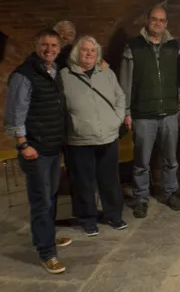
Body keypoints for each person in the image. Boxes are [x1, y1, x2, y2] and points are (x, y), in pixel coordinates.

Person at [4, 29, 72, 274]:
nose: (49, 49)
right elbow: (15, 114)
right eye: (45, 45)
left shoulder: (53, 71)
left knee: (50, 195)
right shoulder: (24, 75)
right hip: (35, 149)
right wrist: (23, 144)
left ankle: (48, 237)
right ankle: (47, 253)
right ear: (36, 45)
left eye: (54, 45)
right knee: (41, 200)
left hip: (52, 145)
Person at [119, 6, 180, 218]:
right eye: (154, 19)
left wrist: (179, 103)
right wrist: (126, 111)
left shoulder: (175, 47)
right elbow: (125, 82)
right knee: (141, 162)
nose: (158, 23)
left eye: (162, 20)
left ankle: (171, 192)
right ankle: (140, 198)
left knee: (170, 159)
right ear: (147, 21)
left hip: (169, 113)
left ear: (166, 23)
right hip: (142, 114)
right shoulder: (133, 47)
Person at [60, 36, 127, 236]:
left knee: (110, 180)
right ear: (76, 53)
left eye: (92, 50)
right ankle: (87, 218)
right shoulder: (64, 76)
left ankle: (114, 215)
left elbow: (119, 96)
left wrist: (117, 119)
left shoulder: (106, 73)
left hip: (107, 135)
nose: (89, 54)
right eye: (84, 50)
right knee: (83, 181)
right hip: (79, 139)